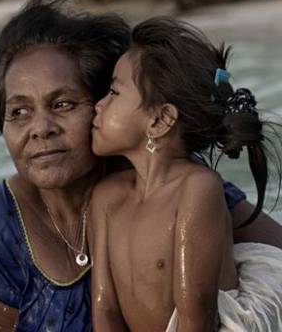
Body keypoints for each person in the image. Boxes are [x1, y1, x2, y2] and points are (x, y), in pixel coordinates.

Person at [0, 0, 282, 331]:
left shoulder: (179, 181)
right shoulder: (0, 223)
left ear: (102, 105)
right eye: (18, 112)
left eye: (63, 103)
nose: (40, 129)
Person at [90, 17, 282, 331]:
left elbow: (196, 317)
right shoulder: (106, 197)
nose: (98, 105)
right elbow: (104, 309)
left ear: (160, 121)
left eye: (113, 92)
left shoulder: (197, 188)